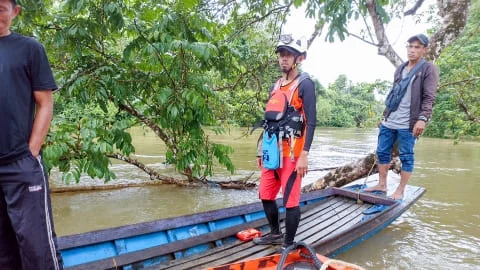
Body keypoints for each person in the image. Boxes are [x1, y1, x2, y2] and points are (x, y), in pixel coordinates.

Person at [0, 0, 63, 269]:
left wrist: (31, 152)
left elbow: (45, 103)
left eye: (1, 7)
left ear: (15, 12)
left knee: (36, 248)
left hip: (19, 163)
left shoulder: (29, 49)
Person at [253, 34, 316, 249]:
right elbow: (269, 119)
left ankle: (288, 243)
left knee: (290, 200)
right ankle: (274, 233)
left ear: (300, 58)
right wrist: (261, 151)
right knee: (266, 194)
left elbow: (311, 121)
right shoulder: (276, 85)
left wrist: (304, 155)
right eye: (281, 54)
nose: (284, 58)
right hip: (272, 149)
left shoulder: (305, 84)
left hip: (292, 152)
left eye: (289, 54)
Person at [365, 34, 439, 200]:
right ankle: (382, 184)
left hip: (408, 122)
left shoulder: (428, 69)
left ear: (425, 50)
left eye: (417, 47)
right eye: (410, 46)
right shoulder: (400, 68)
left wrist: (422, 119)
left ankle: (401, 189)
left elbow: (429, 97)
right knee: (382, 152)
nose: (412, 50)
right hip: (390, 119)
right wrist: (385, 115)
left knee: (406, 155)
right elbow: (395, 93)